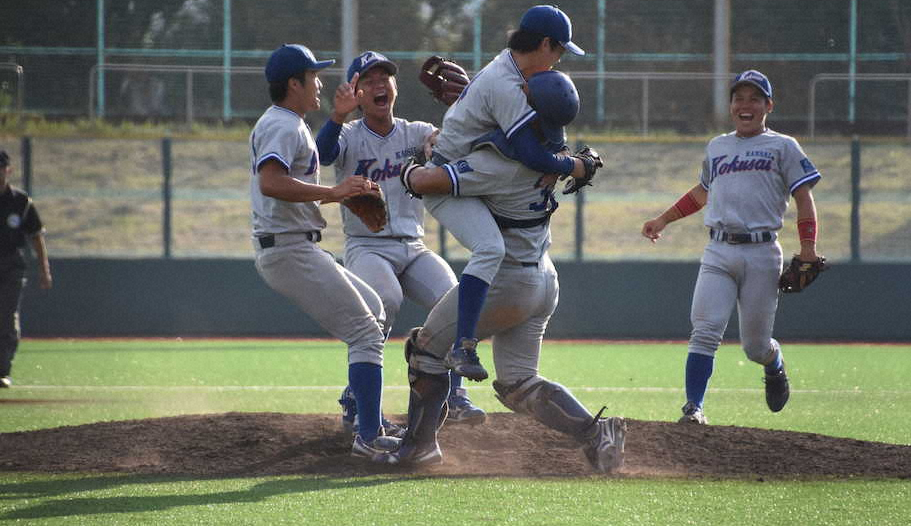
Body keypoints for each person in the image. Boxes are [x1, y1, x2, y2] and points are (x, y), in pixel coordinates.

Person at [376, 70, 627, 473]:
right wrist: (467, 104)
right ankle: (597, 434)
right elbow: (528, 138)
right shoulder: (553, 148)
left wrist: (411, 165)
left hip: (505, 281)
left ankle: (419, 446)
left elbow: (428, 180)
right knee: (518, 382)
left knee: (425, 351)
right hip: (544, 277)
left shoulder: (499, 162)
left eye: (520, 94)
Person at [412, 4, 594, 382]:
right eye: (559, 50)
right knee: (490, 248)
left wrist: (560, 158)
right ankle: (463, 344)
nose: (559, 59)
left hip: (472, 176)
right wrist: (570, 165)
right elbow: (529, 152)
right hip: (447, 182)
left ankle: (460, 351)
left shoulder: (511, 67)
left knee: (492, 248)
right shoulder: (506, 84)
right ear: (545, 43)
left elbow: (542, 140)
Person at [641, 70, 823, 425]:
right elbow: (701, 193)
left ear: (769, 105)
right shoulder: (718, 146)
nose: (745, 105)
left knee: (755, 347)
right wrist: (663, 220)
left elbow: (804, 197)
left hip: (762, 251)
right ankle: (694, 408)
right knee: (705, 331)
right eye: (739, 98)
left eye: (755, 98)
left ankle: (774, 362)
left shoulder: (783, 146)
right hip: (719, 250)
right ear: (730, 106)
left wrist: (808, 248)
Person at [314, 50, 486, 426]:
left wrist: (453, 121)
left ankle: (456, 395)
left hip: (413, 245)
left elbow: (445, 142)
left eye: (385, 79)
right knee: (383, 302)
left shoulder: (415, 131)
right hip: (367, 246)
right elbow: (324, 154)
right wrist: (336, 115)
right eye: (369, 81)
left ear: (395, 87)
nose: (380, 85)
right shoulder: (347, 134)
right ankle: (356, 398)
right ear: (356, 93)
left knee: (452, 300)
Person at [249, 43, 401, 458]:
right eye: (313, 76)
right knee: (366, 331)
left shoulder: (288, 122)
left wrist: (339, 194)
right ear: (293, 83)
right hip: (287, 250)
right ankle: (368, 436)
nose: (319, 83)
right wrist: (334, 192)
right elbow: (271, 182)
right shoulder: (283, 124)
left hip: (296, 246)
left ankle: (366, 416)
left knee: (375, 309)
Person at [0, 149, 52, 389]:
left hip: (11, 265)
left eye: (1, 168)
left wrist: (44, 269)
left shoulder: (20, 201)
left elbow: (36, 237)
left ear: (8, 170)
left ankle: (2, 370)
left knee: (7, 317)